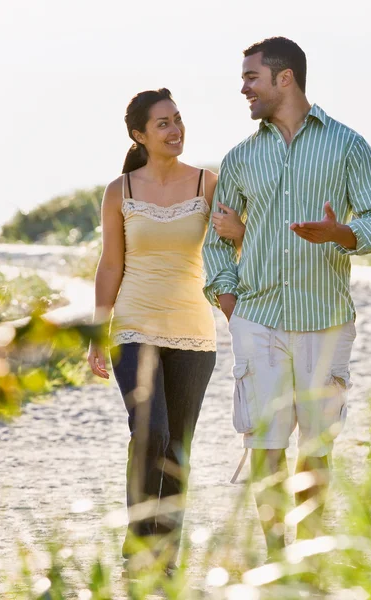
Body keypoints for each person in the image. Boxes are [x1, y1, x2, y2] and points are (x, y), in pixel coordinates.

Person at [202, 37, 371, 556]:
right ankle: (276, 558)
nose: (243, 88)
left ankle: (308, 560)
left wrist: (343, 234)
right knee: (265, 443)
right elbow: (216, 244)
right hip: (259, 319)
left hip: (326, 318)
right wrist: (231, 306)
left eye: (251, 78)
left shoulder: (348, 146)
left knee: (316, 447)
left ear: (283, 78)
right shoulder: (240, 158)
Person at [86, 88, 245, 575]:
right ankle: (138, 549)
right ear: (140, 135)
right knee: (149, 431)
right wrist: (97, 331)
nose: (175, 130)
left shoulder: (207, 182)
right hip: (133, 327)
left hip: (194, 331)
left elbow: (230, 252)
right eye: (163, 124)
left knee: (178, 448)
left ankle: (166, 560)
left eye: (177, 120)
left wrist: (239, 234)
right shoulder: (122, 190)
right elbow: (111, 264)